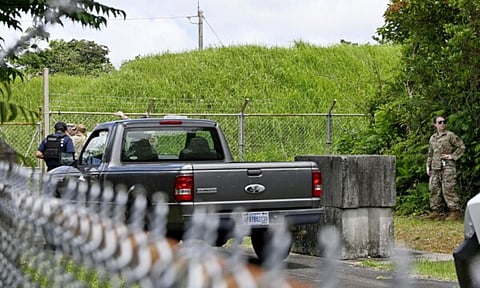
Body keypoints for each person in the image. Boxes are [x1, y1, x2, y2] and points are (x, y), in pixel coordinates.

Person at [425, 116, 466, 221]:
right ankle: (436, 212)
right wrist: (428, 166)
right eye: (440, 122)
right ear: (435, 125)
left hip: (447, 166)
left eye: (444, 122)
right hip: (435, 166)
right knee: (434, 188)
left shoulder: (450, 135)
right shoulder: (432, 138)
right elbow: (430, 153)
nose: (442, 124)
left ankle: (454, 212)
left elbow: (461, 146)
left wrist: (452, 156)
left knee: (448, 188)